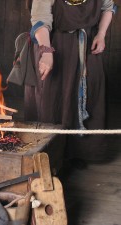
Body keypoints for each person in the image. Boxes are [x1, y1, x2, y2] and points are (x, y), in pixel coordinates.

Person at [24, 0, 116, 166]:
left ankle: (78, 152)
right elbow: (40, 21)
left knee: (89, 95)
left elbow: (108, 8)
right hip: (54, 45)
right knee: (54, 98)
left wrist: (101, 35)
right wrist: (46, 52)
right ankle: (49, 156)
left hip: (86, 46)